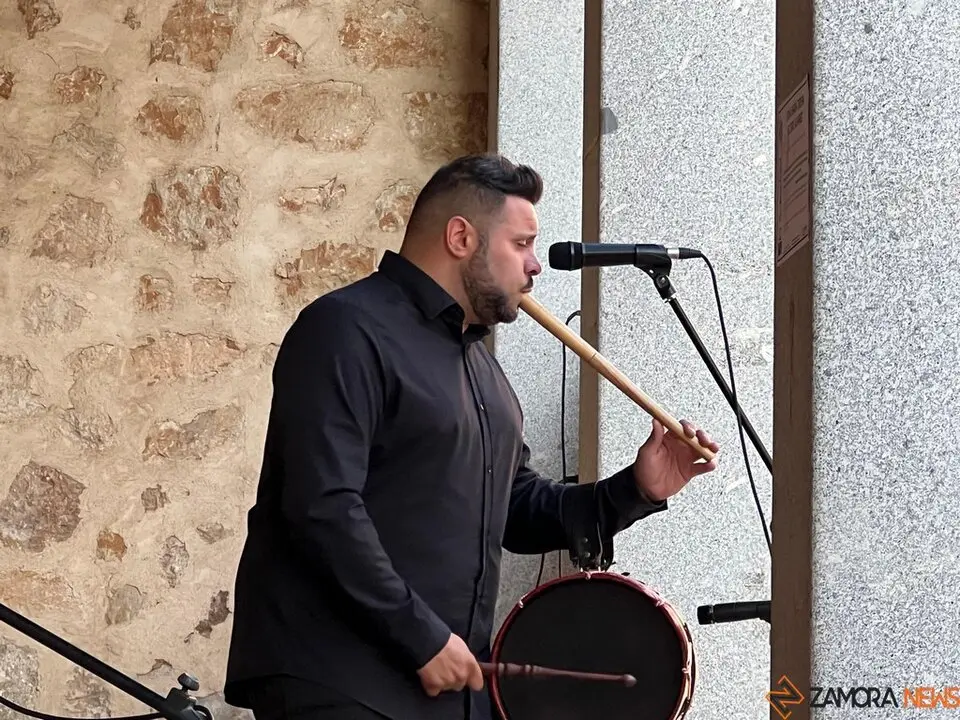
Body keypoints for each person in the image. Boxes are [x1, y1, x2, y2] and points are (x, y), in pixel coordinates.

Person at [223, 153, 720, 720]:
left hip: (443, 693)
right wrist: (421, 637)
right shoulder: (345, 330)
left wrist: (637, 488)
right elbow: (321, 507)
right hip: (340, 682)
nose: (535, 266)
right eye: (522, 243)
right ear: (461, 236)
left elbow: (516, 508)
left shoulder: (482, 371)